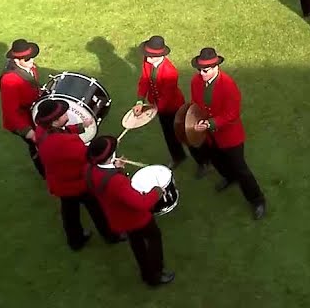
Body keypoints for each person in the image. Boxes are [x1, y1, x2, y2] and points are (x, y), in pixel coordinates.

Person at [188, 48, 268, 217]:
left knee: (241, 169)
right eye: (199, 70)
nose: (201, 73)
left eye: (205, 70)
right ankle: (229, 178)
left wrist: (210, 123)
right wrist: (198, 120)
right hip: (210, 135)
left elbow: (232, 114)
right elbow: (195, 103)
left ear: (216, 67)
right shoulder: (195, 81)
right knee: (217, 160)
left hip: (229, 137)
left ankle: (257, 200)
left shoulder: (228, 85)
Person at [85, 136, 174, 286]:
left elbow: (105, 182)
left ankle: (146, 273)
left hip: (117, 216)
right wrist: (157, 192)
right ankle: (155, 275)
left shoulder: (89, 168)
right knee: (153, 238)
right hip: (134, 218)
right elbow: (141, 203)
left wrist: (116, 167)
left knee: (136, 243)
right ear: (110, 156)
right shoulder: (116, 181)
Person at [33, 101, 118, 250]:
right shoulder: (67, 142)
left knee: (69, 213)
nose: (67, 115)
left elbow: (62, 131)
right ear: (54, 121)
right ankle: (110, 235)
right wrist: (110, 160)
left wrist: (81, 126)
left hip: (59, 181)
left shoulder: (41, 130)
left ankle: (75, 241)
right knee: (96, 208)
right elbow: (89, 158)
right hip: (77, 182)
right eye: (63, 114)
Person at [134, 35, 203, 171]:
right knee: (169, 134)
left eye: (150, 56)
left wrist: (153, 111)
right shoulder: (147, 62)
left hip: (174, 108)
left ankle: (203, 162)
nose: (147, 58)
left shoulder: (170, 72)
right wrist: (140, 100)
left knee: (185, 135)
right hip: (159, 107)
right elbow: (144, 80)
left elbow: (167, 96)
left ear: (160, 56)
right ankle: (178, 156)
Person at [0, 38, 43, 175]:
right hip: (22, 119)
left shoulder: (30, 67)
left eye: (32, 57)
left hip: (32, 111)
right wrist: (28, 132)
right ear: (16, 60)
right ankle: (44, 172)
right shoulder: (9, 80)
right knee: (37, 144)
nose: (32, 61)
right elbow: (10, 112)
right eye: (27, 59)